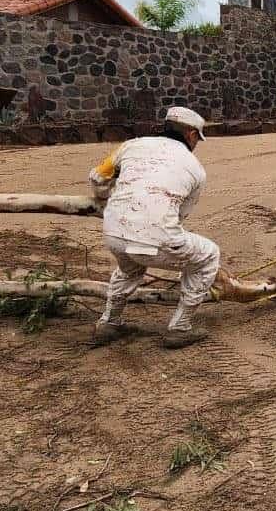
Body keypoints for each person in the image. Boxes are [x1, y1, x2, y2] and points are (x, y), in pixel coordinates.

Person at [88, 107, 219, 349]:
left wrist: (103, 197)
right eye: (197, 138)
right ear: (191, 135)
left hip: (113, 234)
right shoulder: (195, 168)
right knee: (209, 255)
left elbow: (98, 177)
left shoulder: (130, 145)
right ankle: (180, 328)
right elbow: (179, 216)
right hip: (155, 238)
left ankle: (109, 322)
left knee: (128, 270)